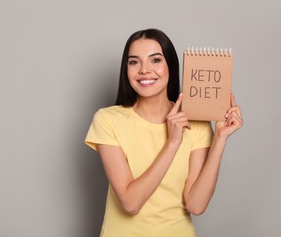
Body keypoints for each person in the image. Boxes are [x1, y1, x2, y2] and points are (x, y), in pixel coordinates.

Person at [85, 29, 243, 237]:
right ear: (126, 70)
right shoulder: (108, 120)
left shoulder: (196, 122)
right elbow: (130, 203)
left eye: (155, 60)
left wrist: (220, 139)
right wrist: (172, 143)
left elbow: (196, 205)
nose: (144, 70)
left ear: (171, 66)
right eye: (134, 62)